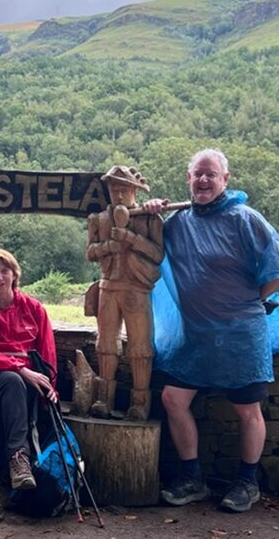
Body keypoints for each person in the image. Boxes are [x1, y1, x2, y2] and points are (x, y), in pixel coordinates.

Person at [143, 148, 279, 513]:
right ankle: (193, 478)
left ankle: (247, 482)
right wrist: (149, 214)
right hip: (195, 337)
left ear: (225, 179)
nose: (203, 180)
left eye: (211, 174)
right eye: (197, 174)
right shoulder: (177, 222)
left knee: (247, 410)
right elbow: (140, 244)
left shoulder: (245, 219)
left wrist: (247, 303)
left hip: (242, 334)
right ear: (188, 178)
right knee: (172, 400)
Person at [0, 248, 57, 523]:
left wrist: (50, 386)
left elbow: (47, 353)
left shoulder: (33, 309)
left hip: (23, 385)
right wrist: (19, 367)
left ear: (14, 274)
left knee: (6, 401)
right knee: (11, 381)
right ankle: (19, 457)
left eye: (4, 271)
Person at [86, 165, 164, 421]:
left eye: (124, 190)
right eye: (114, 189)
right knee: (106, 345)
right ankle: (103, 398)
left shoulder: (149, 218)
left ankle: (140, 402)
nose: (119, 195)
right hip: (109, 287)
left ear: (134, 191)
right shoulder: (98, 219)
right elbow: (90, 253)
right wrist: (109, 245)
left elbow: (157, 254)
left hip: (137, 290)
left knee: (140, 347)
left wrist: (130, 238)